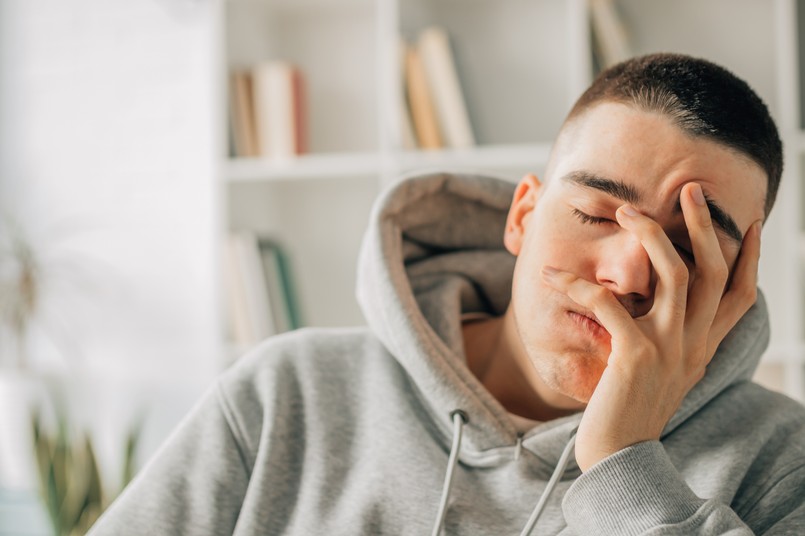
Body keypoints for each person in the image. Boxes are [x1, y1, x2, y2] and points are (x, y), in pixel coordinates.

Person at [89, 53, 805, 535]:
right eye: (592, 214)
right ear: (522, 216)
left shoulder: (779, 460)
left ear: (737, 283)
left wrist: (625, 464)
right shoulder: (288, 396)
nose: (625, 275)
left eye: (687, 250)